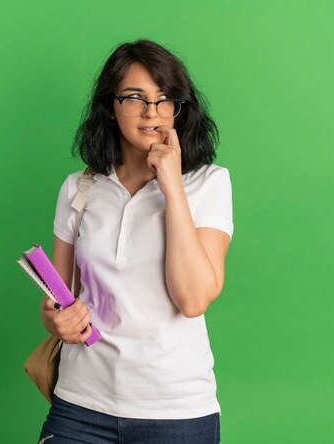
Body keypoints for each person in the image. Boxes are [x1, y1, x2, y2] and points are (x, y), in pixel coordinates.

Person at [37, 39, 233, 444]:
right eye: (135, 98)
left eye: (164, 99)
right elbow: (62, 296)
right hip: (79, 405)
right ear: (111, 106)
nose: (152, 113)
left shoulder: (208, 184)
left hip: (176, 412)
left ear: (180, 109)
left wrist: (172, 186)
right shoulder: (79, 188)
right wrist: (53, 317)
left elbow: (193, 299)